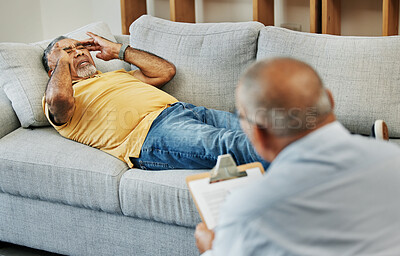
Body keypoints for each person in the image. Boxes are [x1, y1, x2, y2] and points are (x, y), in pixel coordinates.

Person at [195, 58, 400, 255]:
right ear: (330, 99)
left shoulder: (248, 209)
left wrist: (210, 249)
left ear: (258, 133)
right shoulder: (394, 159)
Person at [41, 33, 269, 170]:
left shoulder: (116, 76)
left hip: (185, 111)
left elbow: (166, 71)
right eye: (68, 51)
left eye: (80, 47)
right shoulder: (59, 99)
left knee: (264, 126)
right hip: (150, 134)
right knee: (232, 144)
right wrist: (63, 59)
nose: (79, 52)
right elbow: (58, 98)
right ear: (54, 69)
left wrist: (119, 50)